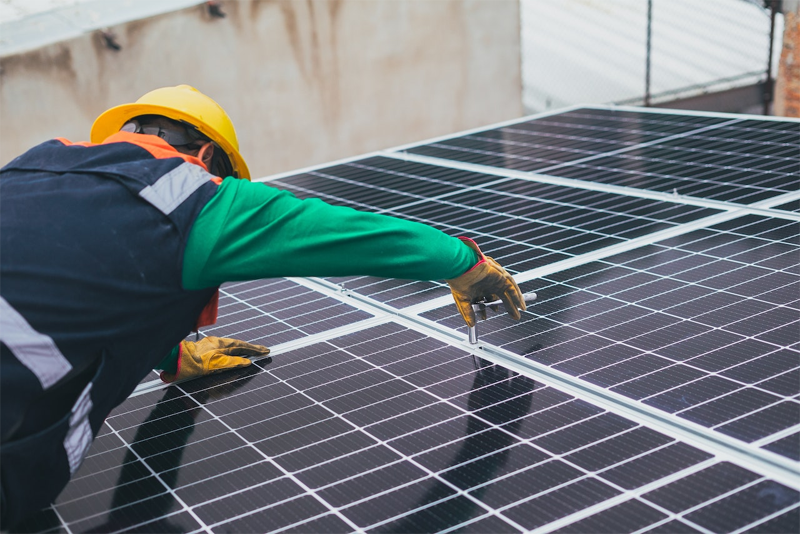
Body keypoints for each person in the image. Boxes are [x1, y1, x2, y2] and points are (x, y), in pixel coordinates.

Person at [0, 85, 525, 529]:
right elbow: (351, 233)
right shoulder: (196, 196)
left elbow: (77, 271)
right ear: (209, 157)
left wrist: (171, 356)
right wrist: (465, 263)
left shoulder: (28, 167)